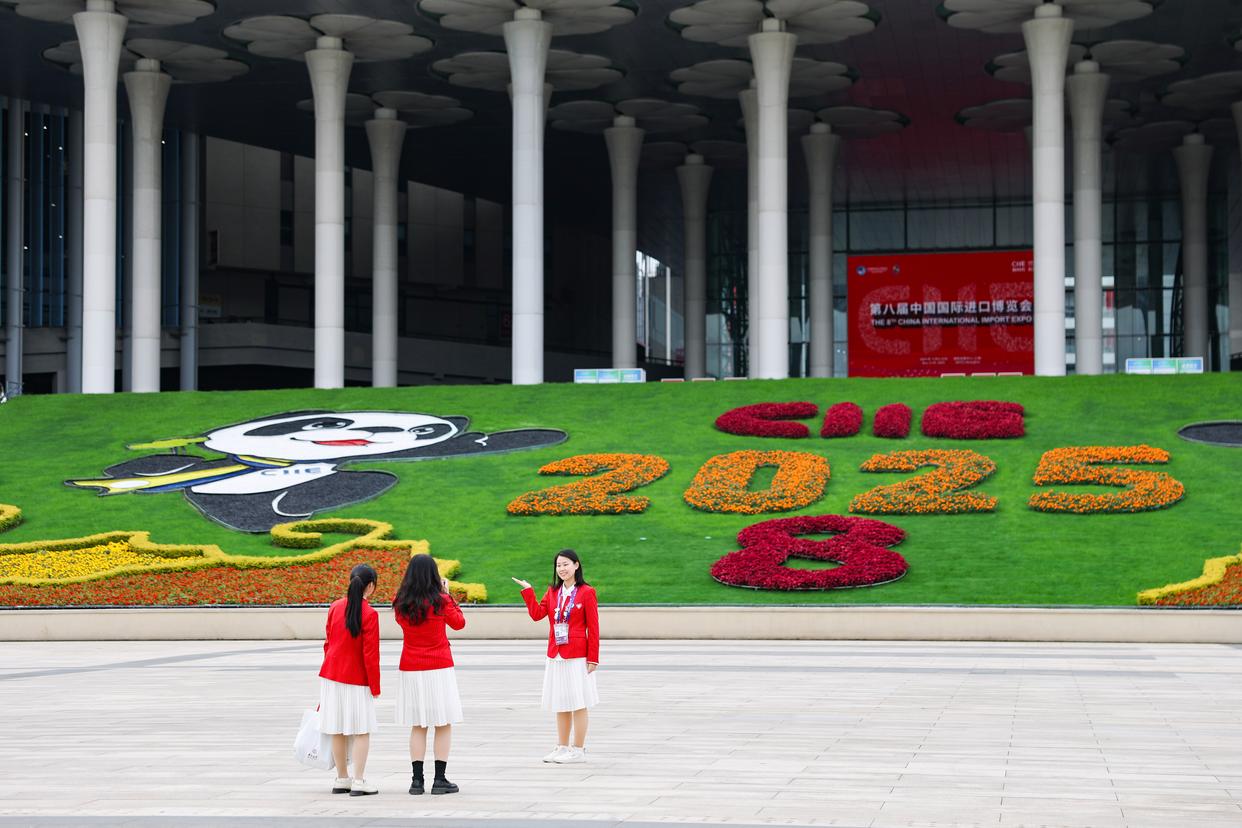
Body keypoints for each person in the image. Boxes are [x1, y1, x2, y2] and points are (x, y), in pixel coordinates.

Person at [512, 549, 599, 764]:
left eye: (566, 564)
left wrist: (593, 657)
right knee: (561, 701)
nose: (561, 569)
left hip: (577, 654)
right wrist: (528, 591)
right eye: (558, 565)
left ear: (576, 565)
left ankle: (578, 750)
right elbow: (537, 615)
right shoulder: (553, 592)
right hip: (556, 653)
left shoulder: (587, 592)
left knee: (578, 702)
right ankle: (562, 747)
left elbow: (593, 627)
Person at [393, 554, 466, 795]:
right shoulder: (441, 601)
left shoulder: (401, 602)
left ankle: (417, 781)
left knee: (418, 725)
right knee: (443, 723)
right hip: (439, 666)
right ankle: (439, 779)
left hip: (411, 667)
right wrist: (448, 595)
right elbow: (459, 623)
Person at [318, 563, 381, 796]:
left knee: (336, 728)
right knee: (362, 730)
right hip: (357, 679)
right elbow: (370, 655)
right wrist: (375, 686)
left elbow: (328, 643)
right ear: (370, 586)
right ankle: (359, 780)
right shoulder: (370, 614)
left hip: (331, 676)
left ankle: (342, 778)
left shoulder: (335, 607)